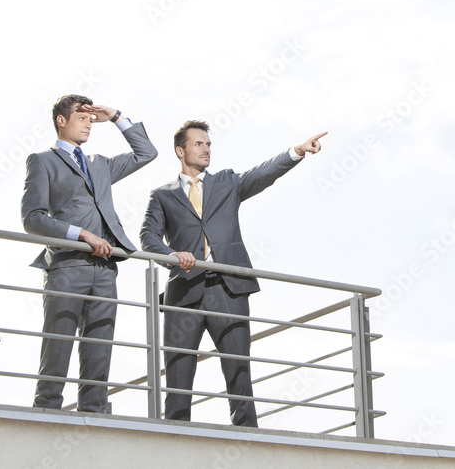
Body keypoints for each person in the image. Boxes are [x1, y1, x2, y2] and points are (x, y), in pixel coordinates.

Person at [139, 120, 326, 427]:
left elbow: (262, 174)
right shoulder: (161, 195)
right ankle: (173, 441)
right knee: (178, 376)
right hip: (183, 293)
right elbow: (148, 237)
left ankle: (247, 438)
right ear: (180, 151)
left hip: (229, 290)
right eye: (198, 144)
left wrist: (296, 152)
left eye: (208, 144)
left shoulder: (227, 182)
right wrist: (171, 256)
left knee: (239, 372)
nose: (205, 149)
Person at [22, 95, 158, 412]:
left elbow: (146, 153)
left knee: (100, 344)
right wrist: (80, 234)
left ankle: (94, 411)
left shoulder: (101, 164)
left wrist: (115, 117)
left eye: (90, 118)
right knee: (59, 338)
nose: (88, 124)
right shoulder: (43, 161)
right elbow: (33, 218)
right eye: (81, 117)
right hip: (67, 264)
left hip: (106, 267)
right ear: (61, 120)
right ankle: (46, 408)